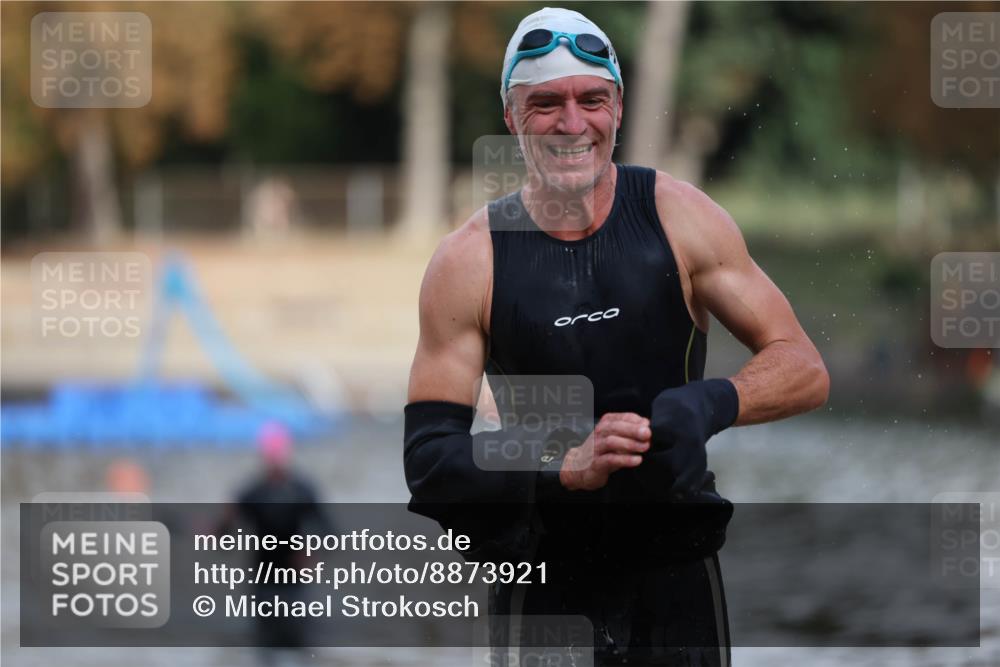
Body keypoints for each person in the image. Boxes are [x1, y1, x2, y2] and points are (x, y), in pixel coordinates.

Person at [403, 7, 829, 666]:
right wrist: (560, 467)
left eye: (590, 100)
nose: (572, 124)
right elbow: (431, 462)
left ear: (619, 108)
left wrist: (707, 403)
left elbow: (802, 365)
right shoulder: (470, 261)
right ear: (512, 116)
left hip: (676, 568)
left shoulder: (682, 219)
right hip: (544, 577)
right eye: (545, 103)